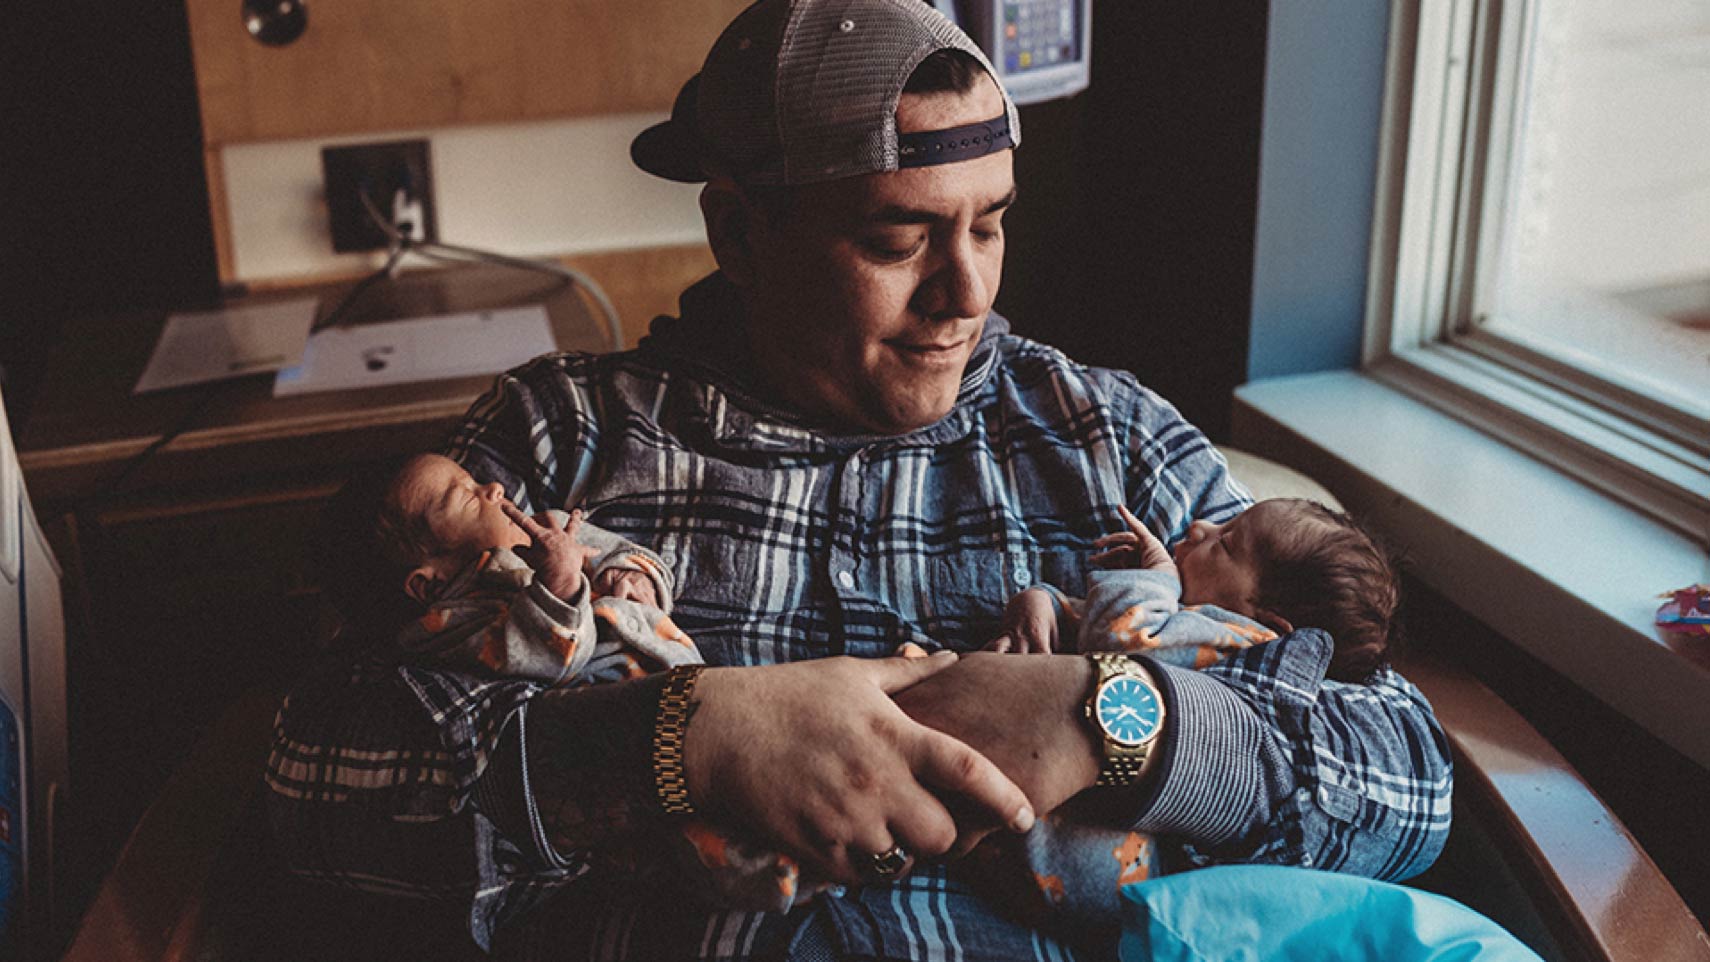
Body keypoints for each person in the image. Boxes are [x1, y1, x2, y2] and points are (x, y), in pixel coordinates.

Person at [266, 2, 1453, 959]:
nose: (968, 292)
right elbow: (312, 772)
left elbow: (1406, 778)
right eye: (898, 242)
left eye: (990, 225)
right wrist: (676, 739)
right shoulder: (561, 439)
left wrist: (1115, 717)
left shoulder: (1101, 433)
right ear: (737, 234)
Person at [991, 499, 1398, 682]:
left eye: (1225, 542)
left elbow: (1119, 652)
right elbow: (1089, 623)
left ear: (1267, 625)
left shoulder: (1243, 647)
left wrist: (1155, 576)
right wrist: (1041, 602)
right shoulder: (1192, 618)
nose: (1201, 525)